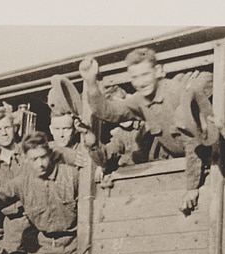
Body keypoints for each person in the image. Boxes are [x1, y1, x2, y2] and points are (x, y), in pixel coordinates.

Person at [80, 48, 213, 214]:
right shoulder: (140, 99)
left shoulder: (175, 93)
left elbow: (193, 141)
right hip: (187, 165)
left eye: (145, 75)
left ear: (158, 71)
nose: (140, 82)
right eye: (135, 77)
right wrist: (91, 82)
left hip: (206, 162)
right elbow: (109, 112)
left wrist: (192, 187)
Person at [1, 132, 78, 254]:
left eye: (43, 157)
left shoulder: (71, 175)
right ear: (26, 160)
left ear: (50, 154)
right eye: (34, 159)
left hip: (75, 243)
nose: (40, 164)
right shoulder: (22, 182)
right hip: (46, 246)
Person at [0, 105, 28, 253]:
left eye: (7, 127)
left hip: (36, 221)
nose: (4, 133)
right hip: (12, 227)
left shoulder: (29, 153)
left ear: (14, 128)